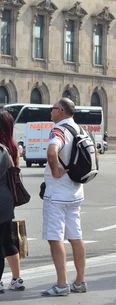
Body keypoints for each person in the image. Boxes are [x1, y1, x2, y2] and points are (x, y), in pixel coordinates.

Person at [41, 98, 87, 296]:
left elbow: (52, 152)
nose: (51, 112)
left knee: (55, 238)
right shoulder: (80, 129)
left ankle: (61, 284)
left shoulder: (59, 129)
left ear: (59, 111)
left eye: (53, 109)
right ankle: (80, 281)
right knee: (76, 236)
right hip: (75, 191)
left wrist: (55, 171)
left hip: (58, 193)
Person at [0, 110, 24, 293]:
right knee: (8, 240)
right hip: (8, 200)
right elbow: (16, 171)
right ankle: (17, 279)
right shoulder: (12, 147)